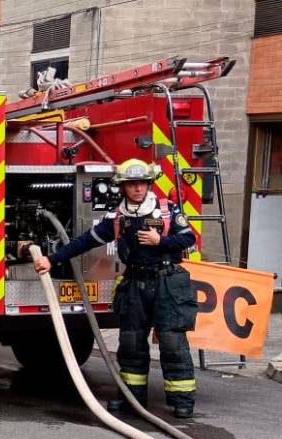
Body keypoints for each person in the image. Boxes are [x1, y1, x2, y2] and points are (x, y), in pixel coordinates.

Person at [33, 159, 199, 418]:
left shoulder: (166, 210)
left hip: (167, 283)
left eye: (142, 184)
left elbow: (189, 238)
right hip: (135, 283)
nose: (137, 189)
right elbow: (85, 241)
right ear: (123, 187)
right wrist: (51, 259)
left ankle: (182, 401)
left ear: (149, 184)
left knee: (172, 342)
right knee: (131, 344)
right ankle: (133, 399)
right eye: (132, 184)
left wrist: (161, 240)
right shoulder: (118, 217)